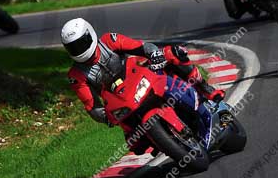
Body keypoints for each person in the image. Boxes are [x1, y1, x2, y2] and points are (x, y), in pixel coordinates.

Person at [61, 18, 225, 153]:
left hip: (140, 76)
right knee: (136, 145)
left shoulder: (109, 41)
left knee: (172, 53)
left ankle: (204, 88)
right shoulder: (76, 75)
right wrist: (107, 118)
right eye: (73, 47)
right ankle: (163, 141)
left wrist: (153, 54)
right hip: (121, 102)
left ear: (90, 34)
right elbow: (92, 106)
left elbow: (142, 47)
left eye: (81, 43)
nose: (79, 49)